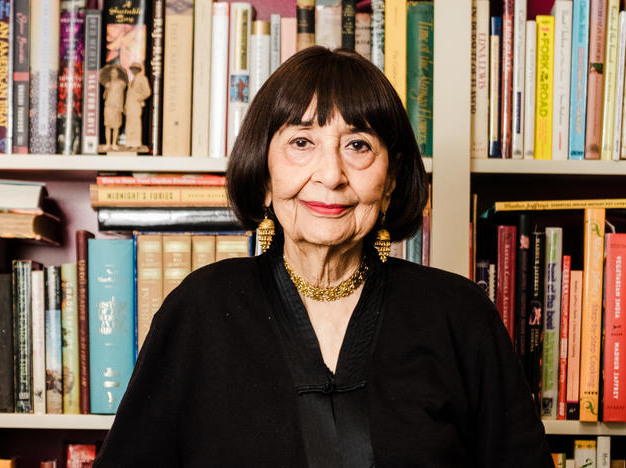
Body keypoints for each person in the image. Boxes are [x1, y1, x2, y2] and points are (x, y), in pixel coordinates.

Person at [94, 47, 553, 467]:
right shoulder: (199, 311)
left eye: (358, 145)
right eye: (302, 143)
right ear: (265, 175)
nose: (331, 175)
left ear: (390, 181)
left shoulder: (459, 315)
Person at [99, 64, 128, 150]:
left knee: (116, 126)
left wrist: (121, 107)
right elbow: (104, 97)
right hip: (108, 106)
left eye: (115, 73)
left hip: (117, 106)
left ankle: (114, 143)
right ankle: (108, 143)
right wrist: (106, 89)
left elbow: (122, 95)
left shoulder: (121, 83)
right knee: (107, 125)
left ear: (118, 74)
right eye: (112, 73)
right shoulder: (108, 83)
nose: (113, 74)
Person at [124, 62, 151, 149]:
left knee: (135, 122)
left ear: (139, 70)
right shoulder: (132, 80)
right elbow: (129, 94)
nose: (133, 70)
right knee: (129, 123)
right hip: (129, 105)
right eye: (132, 69)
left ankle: (136, 143)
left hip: (136, 104)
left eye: (135, 69)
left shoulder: (142, 79)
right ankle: (129, 142)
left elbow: (147, 92)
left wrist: (138, 98)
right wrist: (125, 106)